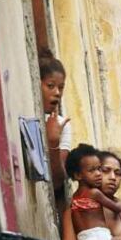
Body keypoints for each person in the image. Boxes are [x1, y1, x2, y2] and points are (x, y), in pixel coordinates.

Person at [40, 48, 72, 209]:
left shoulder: (62, 124)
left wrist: (53, 142)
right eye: (50, 86)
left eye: (61, 87)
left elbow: (58, 181)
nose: (57, 93)